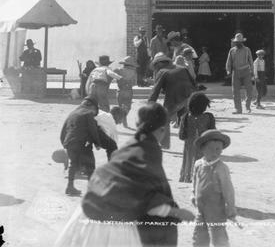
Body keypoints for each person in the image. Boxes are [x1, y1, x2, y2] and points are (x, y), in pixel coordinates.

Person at [55, 102, 196, 247]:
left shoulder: (129, 146)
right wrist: (175, 212)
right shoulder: (148, 150)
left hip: (87, 216)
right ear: (162, 129)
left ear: (137, 123)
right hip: (114, 225)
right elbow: (144, 194)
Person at [192, 130, 237, 247]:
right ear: (202, 149)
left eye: (218, 149)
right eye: (211, 149)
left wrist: (231, 206)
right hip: (201, 208)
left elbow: (228, 189)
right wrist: (193, 194)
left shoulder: (222, 168)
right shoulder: (198, 164)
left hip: (216, 209)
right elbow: (195, 180)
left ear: (222, 150)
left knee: (218, 236)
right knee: (199, 235)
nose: (215, 152)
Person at [149, 52, 198, 149]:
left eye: (156, 65)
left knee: (164, 119)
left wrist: (149, 104)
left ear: (159, 63)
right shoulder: (182, 68)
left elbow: (155, 91)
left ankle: (164, 144)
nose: (155, 67)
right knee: (187, 119)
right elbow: (193, 83)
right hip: (188, 98)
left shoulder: (162, 71)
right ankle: (192, 143)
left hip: (174, 100)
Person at [60, 97, 103, 196]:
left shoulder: (72, 113)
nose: (94, 113)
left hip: (69, 143)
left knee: (73, 164)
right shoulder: (88, 113)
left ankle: (70, 187)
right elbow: (93, 130)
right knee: (90, 165)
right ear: (92, 106)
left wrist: (65, 144)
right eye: (95, 110)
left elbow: (63, 130)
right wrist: (97, 143)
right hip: (82, 143)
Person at [179, 92, 216, 183]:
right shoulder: (209, 117)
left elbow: (181, 135)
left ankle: (187, 176)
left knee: (188, 159)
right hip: (203, 146)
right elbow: (212, 132)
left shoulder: (186, 117)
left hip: (189, 146)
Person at [226, 33, 254, 114]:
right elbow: (229, 61)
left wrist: (252, 71)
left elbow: (251, 61)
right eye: (236, 42)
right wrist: (228, 70)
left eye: (239, 42)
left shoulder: (247, 50)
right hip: (236, 71)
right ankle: (238, 109)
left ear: (242, 42)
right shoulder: (232, 50)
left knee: (249, 90)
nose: (237, 43)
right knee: (235, 91)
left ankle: (248, 107)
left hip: (246, 71)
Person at [116, 56, 137, 128]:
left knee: (120, 106)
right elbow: (134, 83)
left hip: (120, 90)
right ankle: (124, 118)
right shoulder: (133, 72)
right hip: (128, 91)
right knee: (128, 106)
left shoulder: (119, 70)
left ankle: (122, 119)